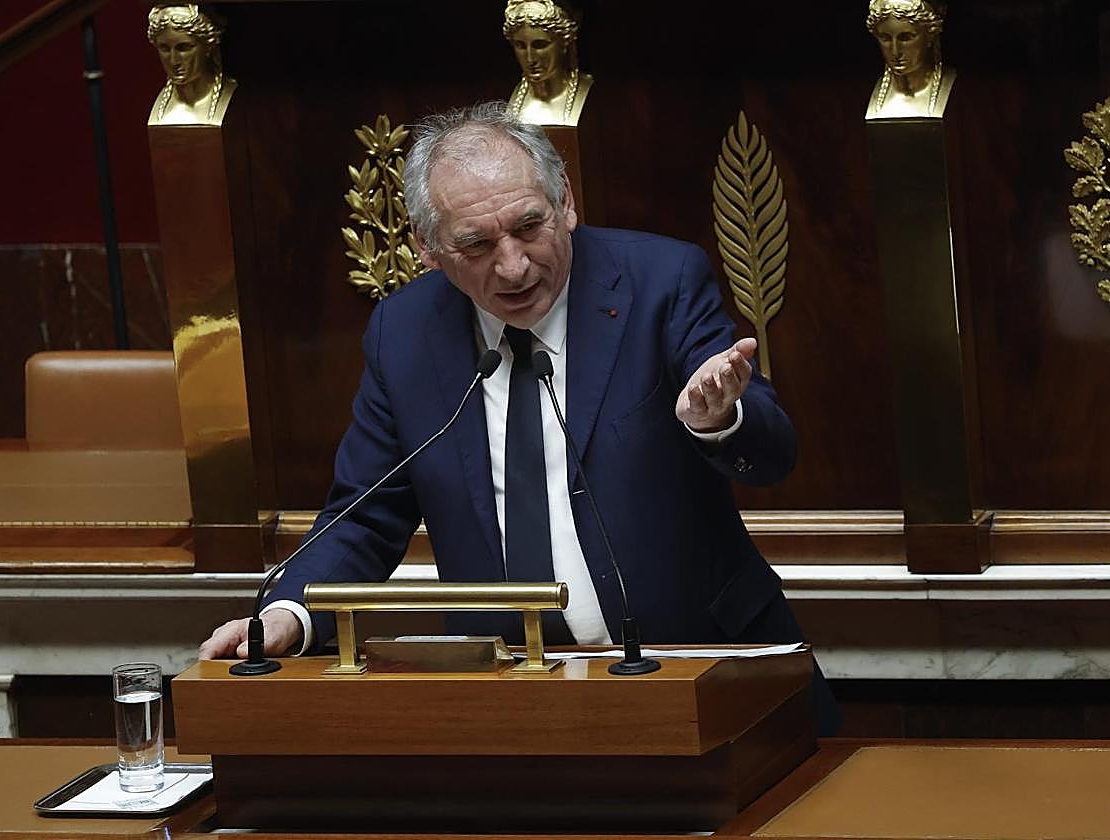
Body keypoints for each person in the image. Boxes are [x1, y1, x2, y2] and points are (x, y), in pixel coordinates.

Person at [200, 101, 839, 735]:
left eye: (529, 227)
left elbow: (773, 451)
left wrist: (718, 418)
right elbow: (364, 514)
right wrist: (290, 611)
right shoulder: (405, 335)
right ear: (427, 248)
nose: (512, 265)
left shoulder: (659, 281)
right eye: (475, 244)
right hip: (516, 695)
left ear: (565, 203)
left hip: (700, 669)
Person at [503, 0, 593, 126]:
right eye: (520, 46)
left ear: (564, 41)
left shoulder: (587, 92)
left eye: (540, 45)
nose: (530, 59)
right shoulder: (516, 98)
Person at [146, 4, 237, 126]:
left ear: (208, 46)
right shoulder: (161, 107)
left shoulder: (231, 96)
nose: (174, 61)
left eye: (183, 48)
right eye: (165, 49)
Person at [865, 0, 955, 119]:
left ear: (930, 35)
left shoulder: (964, 96)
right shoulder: (858, 96)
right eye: (885, 38)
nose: (895, 51)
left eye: (906, 38)